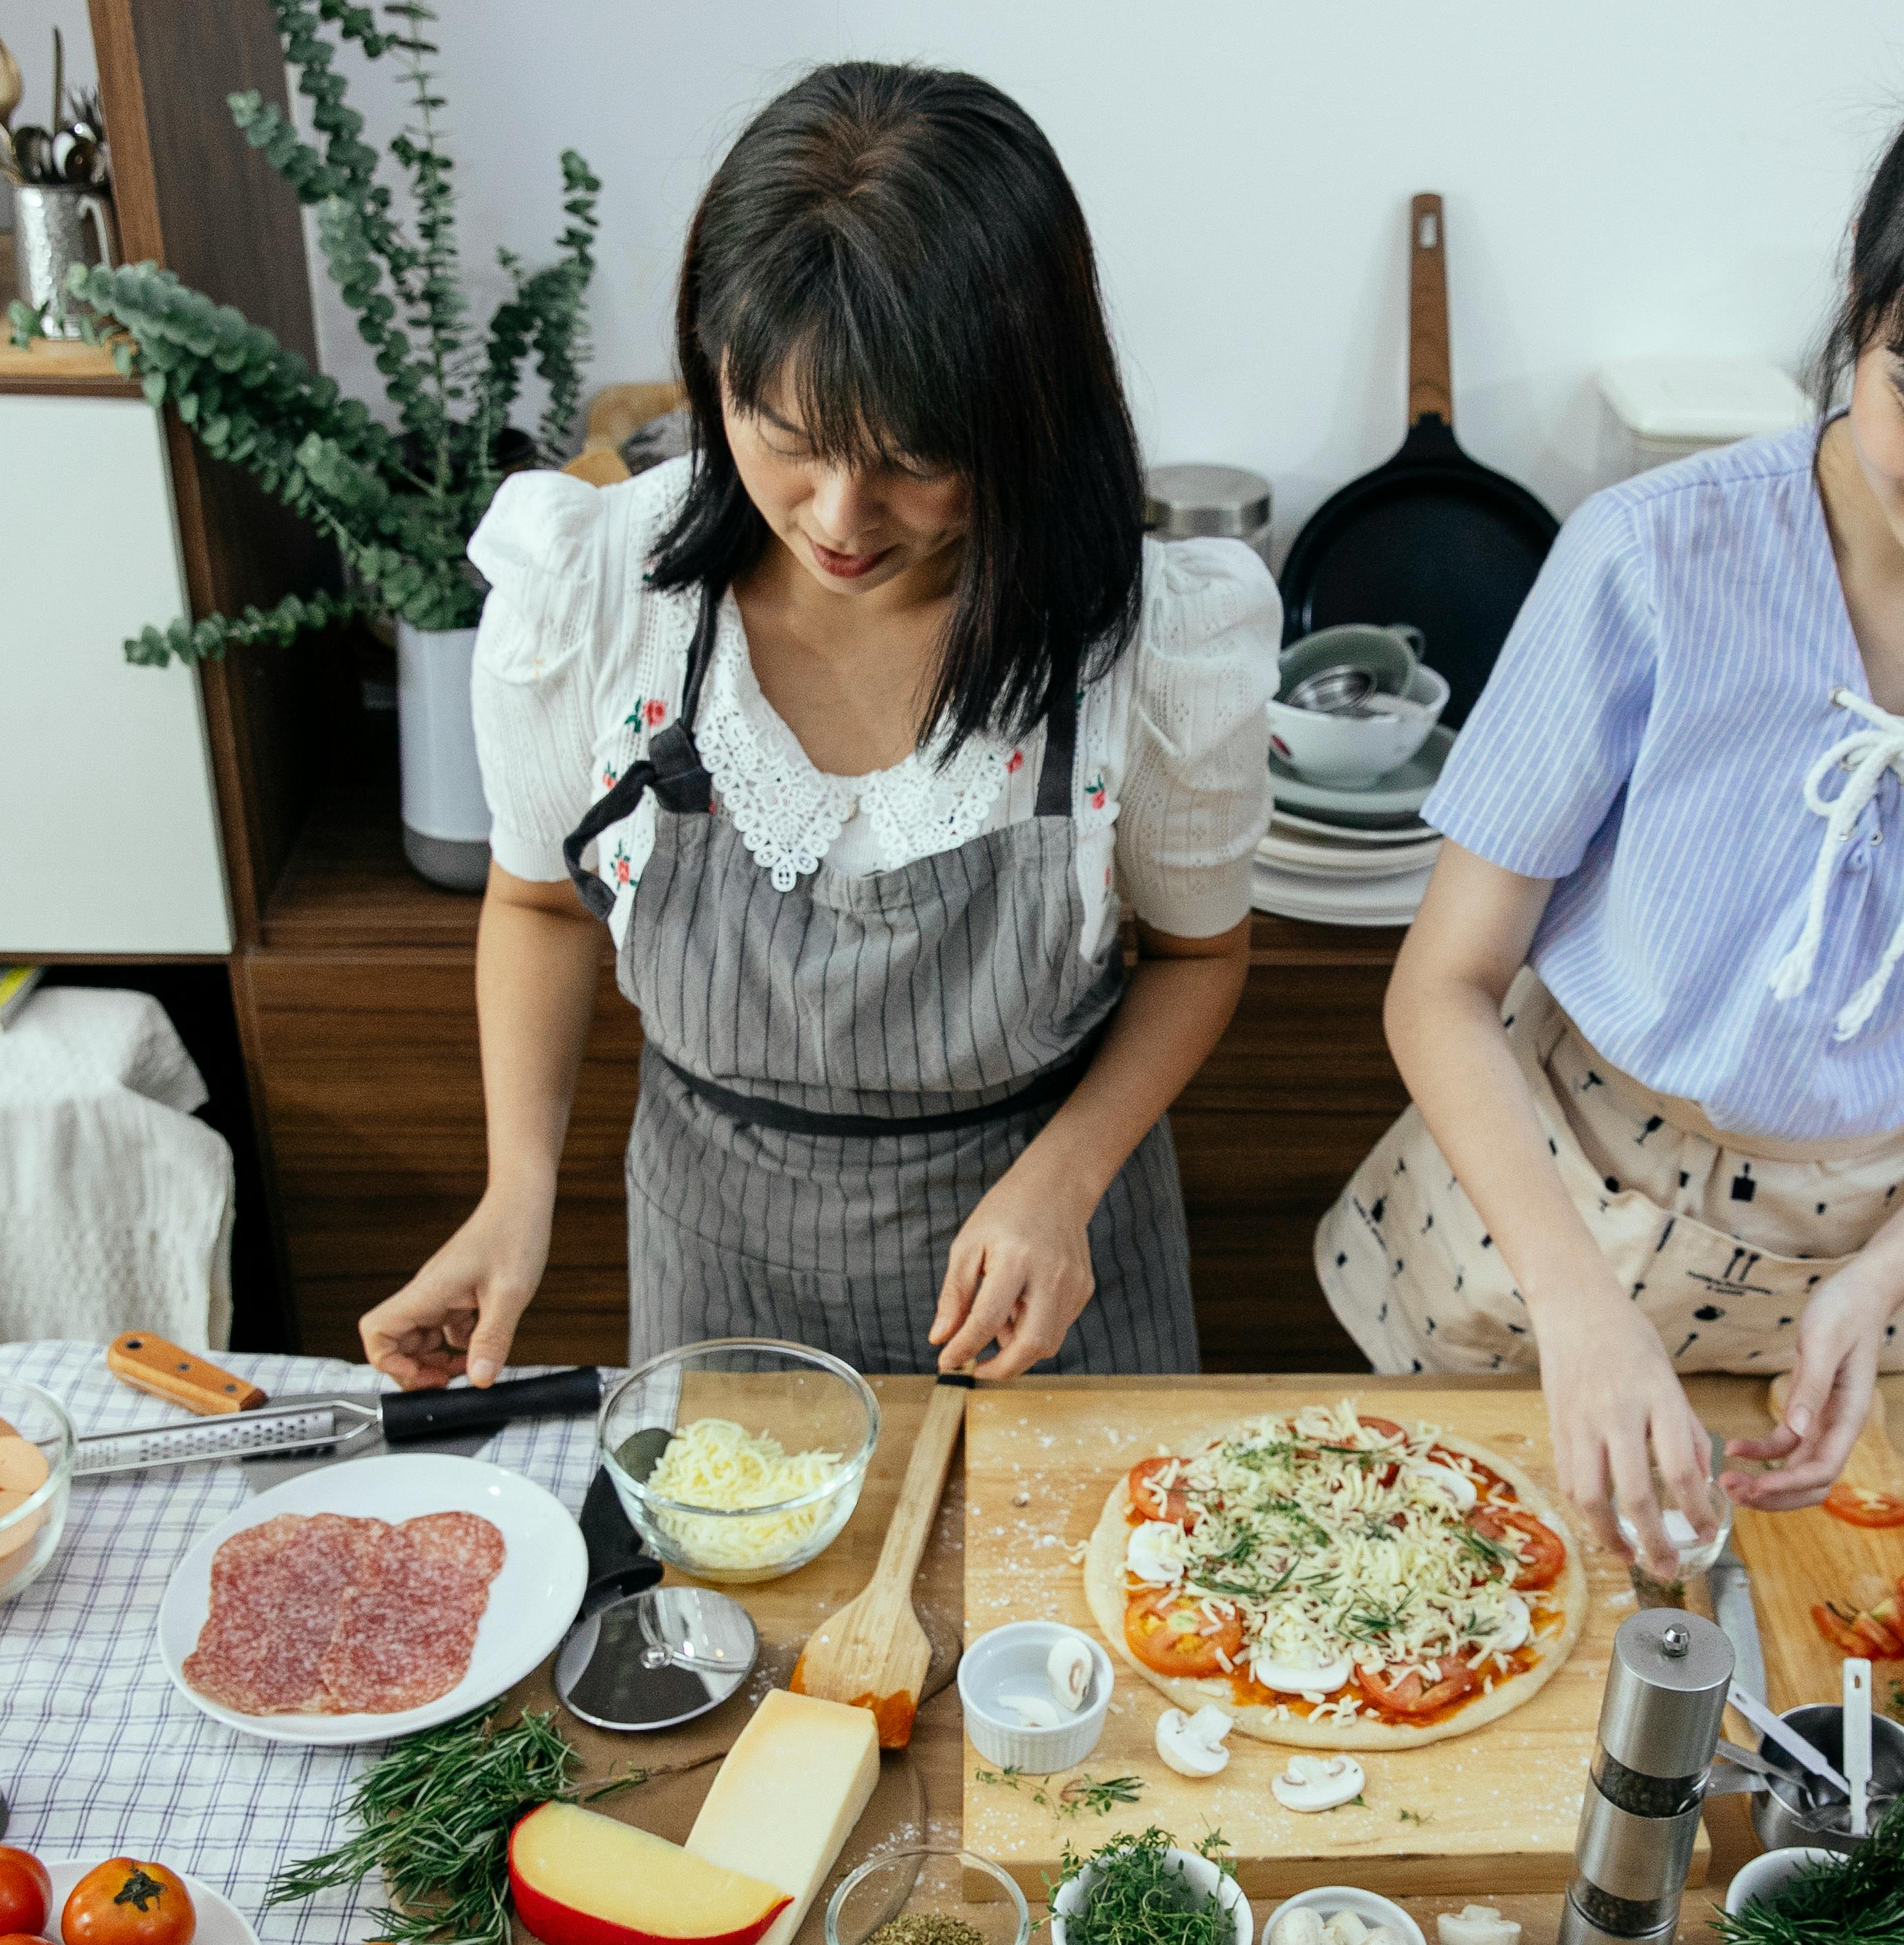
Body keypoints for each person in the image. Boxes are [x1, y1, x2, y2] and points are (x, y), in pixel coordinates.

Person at [1320, 0, 1904, 1569]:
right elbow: (1445, 986)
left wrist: (1879, 1279)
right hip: (1535, 1195)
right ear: (1864, 298)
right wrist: (1576, 1299)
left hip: (1867, 1246)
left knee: (1799, 1649)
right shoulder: (1651, 555)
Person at [365, 63, 1277, 1388]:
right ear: (711, 362)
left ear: (1026, 417)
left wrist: (1064, 1180)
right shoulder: (599, 594)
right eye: (783, 432)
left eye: (914, 457)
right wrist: (516, 1194)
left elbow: (1200, 955)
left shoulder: (1142, 639)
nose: (840, 517)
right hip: (713, 1266)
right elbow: (539, 906)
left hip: (1045, 1275)